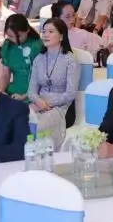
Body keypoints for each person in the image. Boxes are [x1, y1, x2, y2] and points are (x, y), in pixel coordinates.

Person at [26, 17, 78, 147]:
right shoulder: (38, 59)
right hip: (38, 104)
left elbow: (70, 94)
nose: (46, 35)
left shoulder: (70, 60)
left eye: (51, 31)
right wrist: (38, 102)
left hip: (62, 108)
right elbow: (31, 91)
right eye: (44, 31)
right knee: (18, 121)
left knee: (37, 127)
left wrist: (46, 103)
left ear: (61, 36)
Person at [0, 13, 42, 99]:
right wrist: (0, 92)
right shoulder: (8, 46)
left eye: (19, 36)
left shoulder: (36, 45)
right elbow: (5, 74)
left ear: (27, 30)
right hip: (15, 90)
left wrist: (25, 96)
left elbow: (42, 78)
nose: (15, 40)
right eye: (10, 36)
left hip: (34, 91)